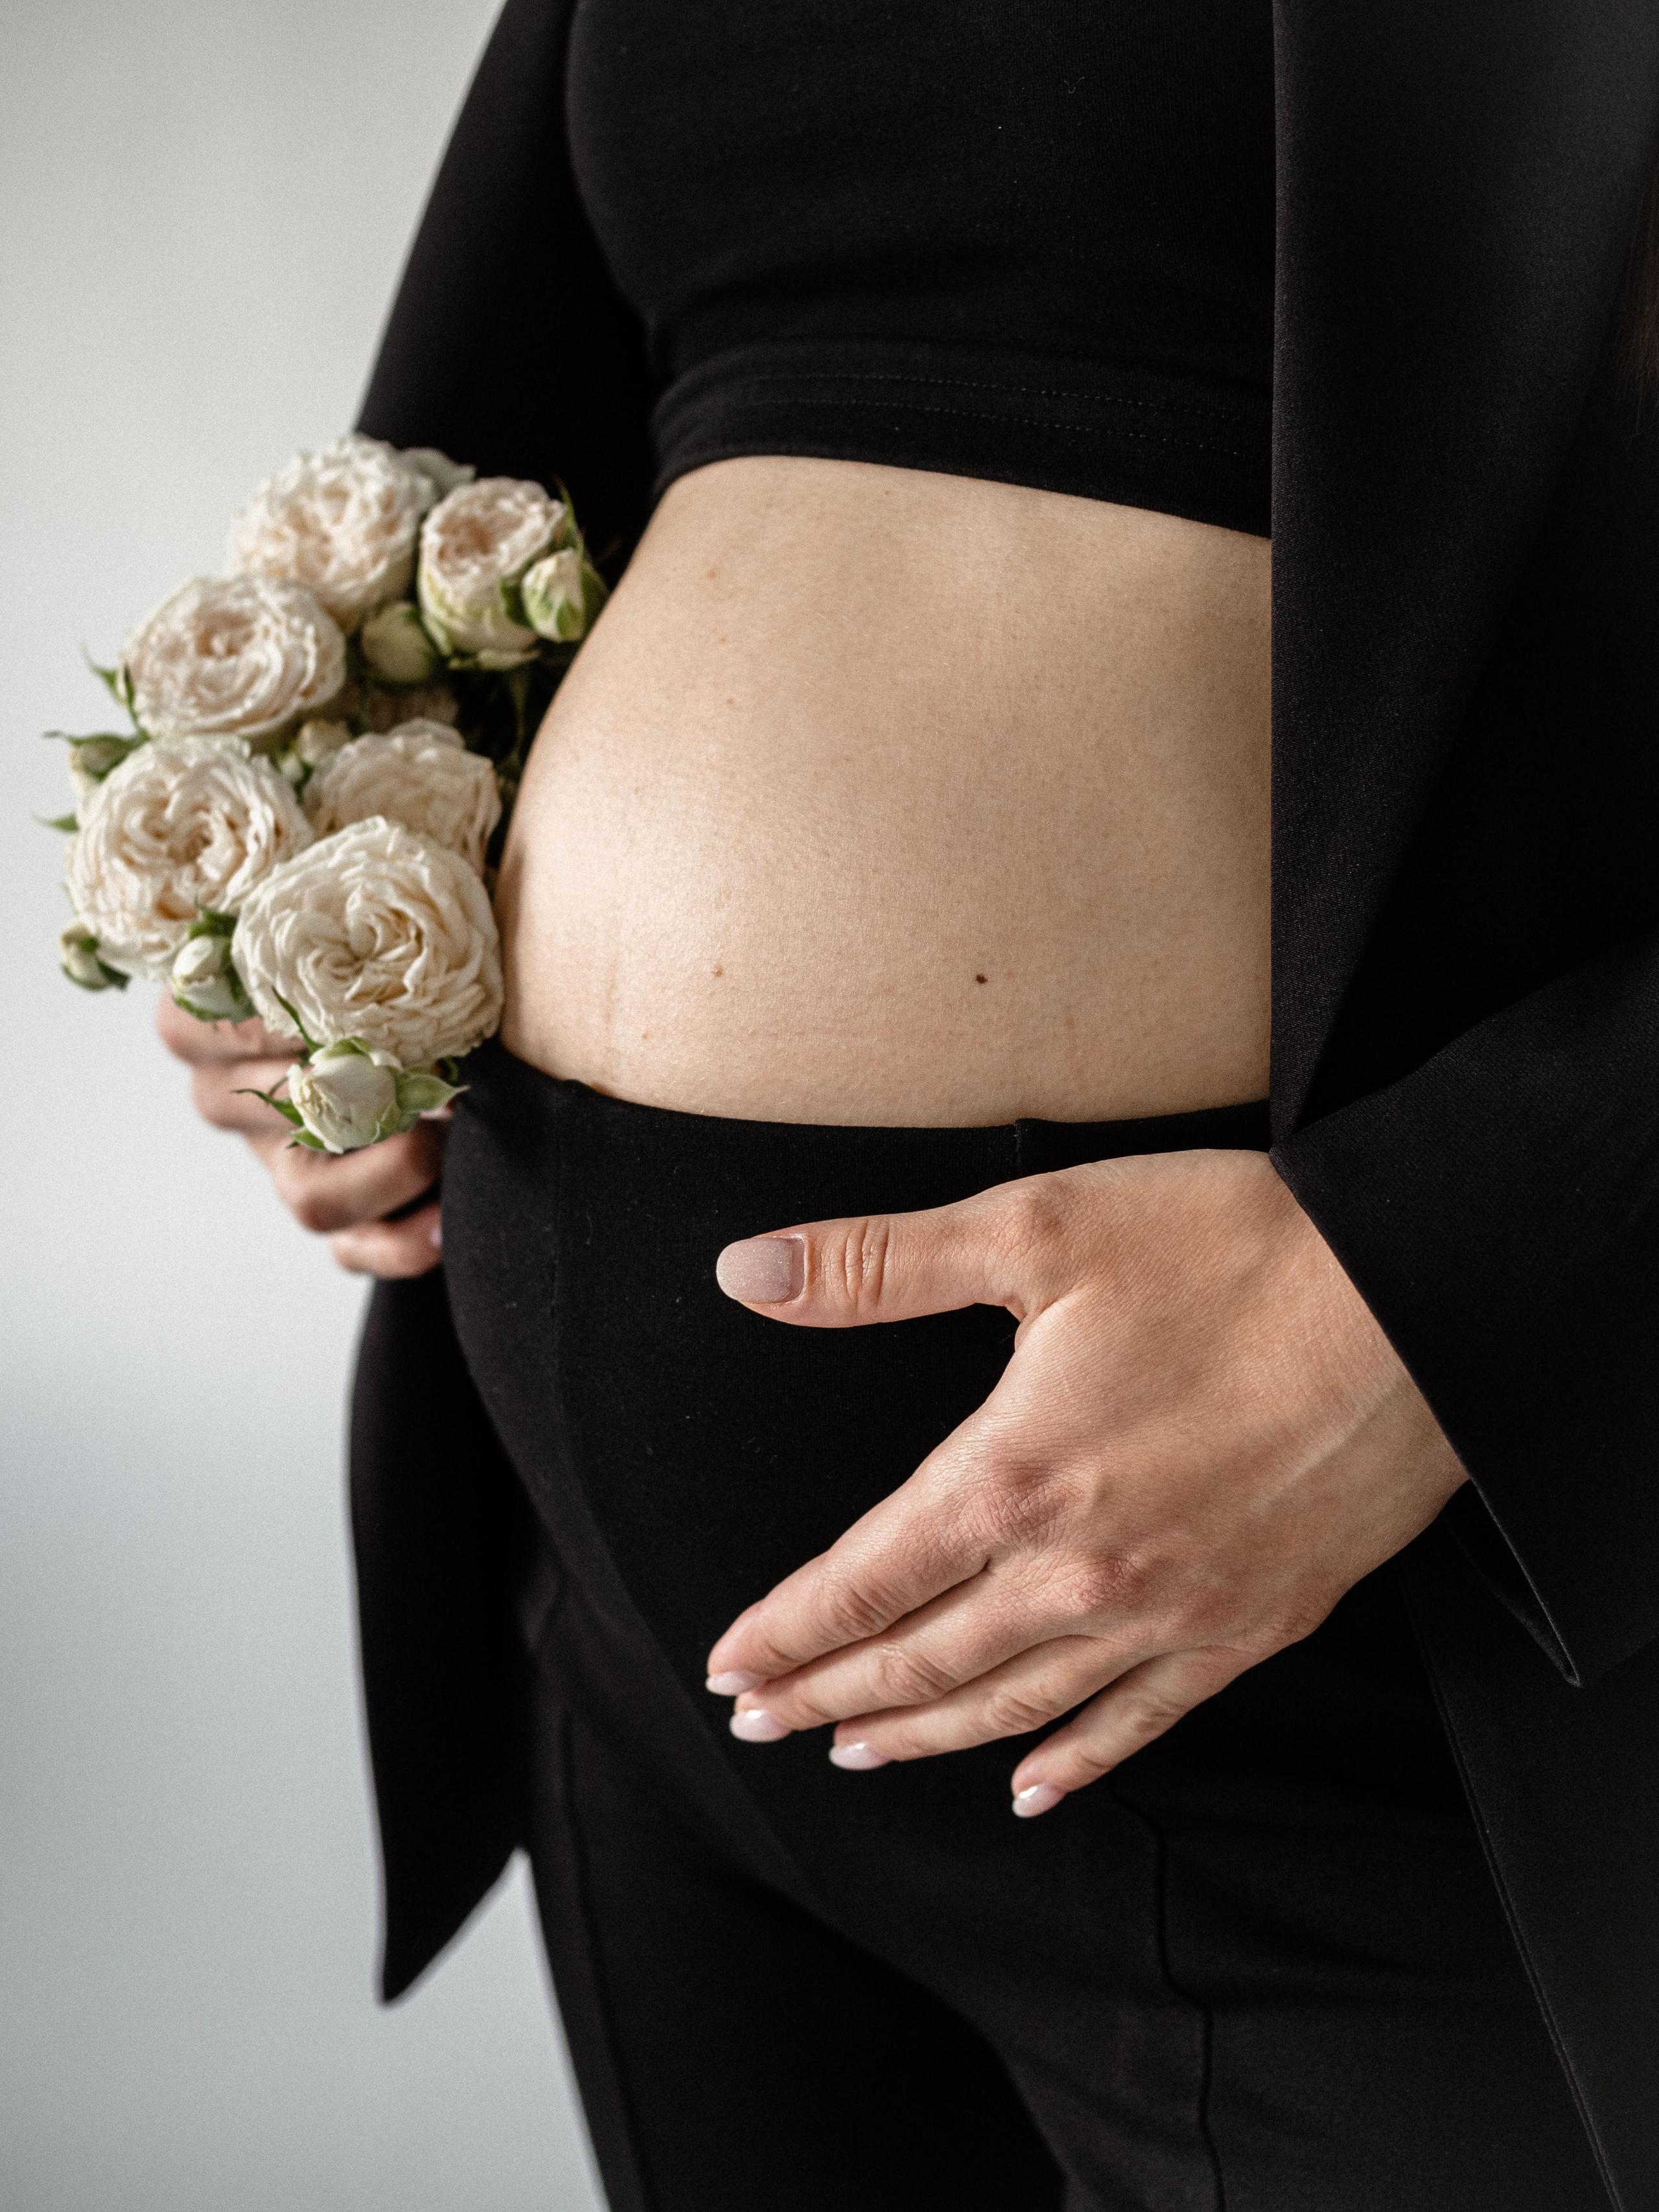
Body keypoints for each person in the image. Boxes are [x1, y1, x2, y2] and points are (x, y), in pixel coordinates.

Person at [160, 2, 1659, 2206]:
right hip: (644, 1660)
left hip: (1343, 1660)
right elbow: (509, 455)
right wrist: (306, 890)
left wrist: (1429, 1296)